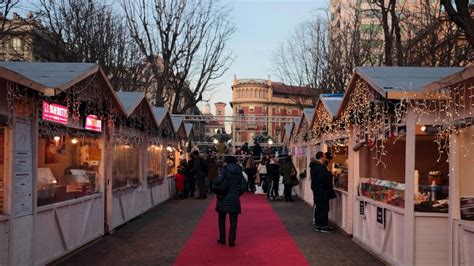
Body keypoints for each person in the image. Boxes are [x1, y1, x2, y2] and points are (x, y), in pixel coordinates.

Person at [215, 156, 246, 247]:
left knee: (221, 219)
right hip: (234, 198)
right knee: (233, 221)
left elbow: (220, 180)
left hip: (223, 196)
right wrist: (238, 193)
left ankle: (222, 238)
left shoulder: (225, 169)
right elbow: (243, 185)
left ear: (227, 162)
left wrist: (214, 182)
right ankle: (231, 241)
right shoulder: (239, 170)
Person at [310, 152, 336, 233]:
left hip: (318, 189)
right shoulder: (319, 167)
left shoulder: (315, 166)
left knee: (319, 207)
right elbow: (323, 178)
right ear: (321, 157)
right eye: (324, 156)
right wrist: (330, 176)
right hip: (322, 190)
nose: (325, 158)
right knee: (324, 208)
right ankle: (323, 226)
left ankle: (319, 225)